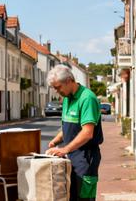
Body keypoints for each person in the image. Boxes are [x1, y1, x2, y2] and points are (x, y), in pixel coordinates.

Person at [46, 65, 104, 201]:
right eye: (55, 88)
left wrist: (64, 149)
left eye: (58, 87)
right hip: (70, 156)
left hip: (86, 157)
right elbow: (69, 127)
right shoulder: (67, 99)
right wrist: (56, 140)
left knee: (83, 198)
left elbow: (87, 133)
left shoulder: (87, 98)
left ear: (69, 80)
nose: (57, 91)